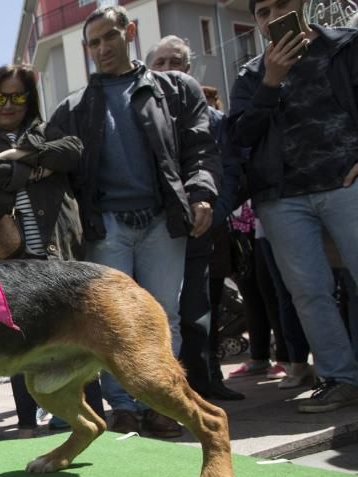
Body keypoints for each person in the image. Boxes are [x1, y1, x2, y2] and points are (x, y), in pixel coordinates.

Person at [48, 4, 220, 437]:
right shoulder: (75, 107)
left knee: (165, 316)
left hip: (163, 223)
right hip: (106, 229)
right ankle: (123, 409)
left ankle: (163, 403)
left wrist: (201, 193)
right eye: (93, 43)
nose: (102, 48)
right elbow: (45, 156)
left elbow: (200, 147)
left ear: (130, 32)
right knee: (107, 323)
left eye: (109, 37)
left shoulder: (175, 89)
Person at [0, 63, 105, 438]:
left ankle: (83, 427)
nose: (8, 104)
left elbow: (71, 151)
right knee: (21, 345)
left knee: (78, 336)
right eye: (0, 96)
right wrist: (37, 168)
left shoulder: (48, 131)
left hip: (56, 256)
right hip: (12, 265)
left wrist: (17, 155)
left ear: (29, 100)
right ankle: (28, 426)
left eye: (17, 96)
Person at [229, 0, 358, 412]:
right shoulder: (250, 75)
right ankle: (340, 378)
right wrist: (270, 82)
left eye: (281, 5)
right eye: (263, 12)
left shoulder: (345, 46)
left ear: (302, 4)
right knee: (308, 292)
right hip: (281, 198)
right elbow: (241, 136)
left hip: (346, 183)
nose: (272, 17)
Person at [147, 35, 245, 402]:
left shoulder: (216, 121)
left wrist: (214, 213)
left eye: (176, 63)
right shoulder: (140, 118)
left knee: (198, 311)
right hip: (157, 232)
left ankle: (206, 382)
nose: (169, 70)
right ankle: (167, 389)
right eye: (160, 64)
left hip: (202, 230)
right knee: (161, 314)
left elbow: (232, 171)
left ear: (188, 70)